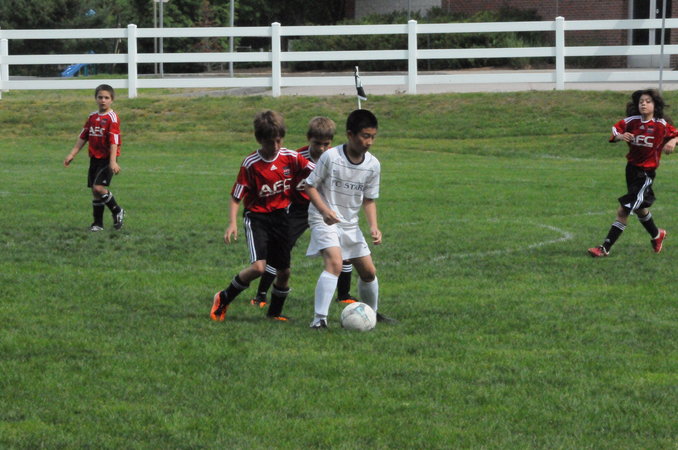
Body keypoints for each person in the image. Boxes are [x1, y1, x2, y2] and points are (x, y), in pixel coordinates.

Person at [210, 110, 313, 322]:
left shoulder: (291, 157)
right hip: (257, 219)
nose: (274, 146)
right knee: (259, 267)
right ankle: (224, 297)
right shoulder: (251, 164)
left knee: (284, 272)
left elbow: (317, 170)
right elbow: (236, 196)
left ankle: (274, 313)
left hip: (281, 217)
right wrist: (232, 223)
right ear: (259, 140)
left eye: (278, 140)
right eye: (269, 142)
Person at [249, 117, 359, 309]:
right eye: (317, 143)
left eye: (326, 144)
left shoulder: (335, 158)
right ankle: (261, 295)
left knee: (343, 246)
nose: (322, 148)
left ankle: (344, 295)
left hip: (325, 208)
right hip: (298, 210)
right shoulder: (296, 157)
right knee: (280, 250)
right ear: (309, 138)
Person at [305, 109, 395, 329]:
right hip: (323, 218)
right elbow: (310, 186)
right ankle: (319, 320)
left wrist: (374, 227)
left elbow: (369, 199)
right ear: (350, 135)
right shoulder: (331, 157)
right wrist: (324, 211)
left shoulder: (373, 165)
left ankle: (371, 314)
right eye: (365, 136)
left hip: (349, 223)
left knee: (369, 272)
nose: (369, 142)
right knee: (335, 263)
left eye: (373, 137)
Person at [588, 89, 678, 257]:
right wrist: (621, 136)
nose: (643, 104)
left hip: (645, 173)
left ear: (655, 105)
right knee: (640, 208)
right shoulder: (632, 121)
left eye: (648, 101)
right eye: (641, 101)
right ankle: (657, 235)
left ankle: (604, 248)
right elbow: (615, 130)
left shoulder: (661, 125)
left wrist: (673, 141)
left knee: (623, 210)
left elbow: (677, 134)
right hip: (631, 169)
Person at [64, 84, 125, 231]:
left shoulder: (112, 118)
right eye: (100, 97)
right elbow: (83, 136)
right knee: (95, 191)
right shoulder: (92, 117)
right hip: (94, 158)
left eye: (106, 98)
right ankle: (98, 224)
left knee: (99, 187)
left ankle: (117, 210)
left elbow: (114, 141)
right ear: (95, 98)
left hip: (107, 159)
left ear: (112, 100)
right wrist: (72, 154)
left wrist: (112, 162)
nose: (103, 100)